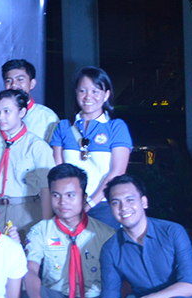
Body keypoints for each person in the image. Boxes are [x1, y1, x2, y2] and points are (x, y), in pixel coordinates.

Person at [99, 175, 192, 298]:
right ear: (111, 210)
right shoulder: (110, 249)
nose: (123, 207)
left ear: (144, 202)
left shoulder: (172, 231)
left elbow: (191, 285)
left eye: (129, 199)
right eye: (115, 202)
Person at [23, 164, 114, 298]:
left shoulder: (106, 233)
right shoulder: (41, 230)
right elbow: (30, 269)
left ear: (84, 197)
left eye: (70, 195)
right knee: (26, 293)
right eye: (56, 195)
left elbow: (121, 279)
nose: (62, 202)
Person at [50, 66, 132, 228]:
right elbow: (58, 170)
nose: (88, 96)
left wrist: (89, 203)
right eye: (82, 91)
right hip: (69, 207)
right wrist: (70, 202)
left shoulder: (116, 127)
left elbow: (118, 171)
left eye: (96, 91)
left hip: (104, 205)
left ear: (106, 95)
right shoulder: (63, 127)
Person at [0, 89, 55, 240]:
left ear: (22, 112)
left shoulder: (37, 146)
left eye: (7, 111)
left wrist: (46, 225)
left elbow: (46, 190)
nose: (0, 117)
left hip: (26, 211)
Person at [1, 59, 59, 141]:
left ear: (32, 84)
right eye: (8, 81)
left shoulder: (48, 117)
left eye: (20, 79)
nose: (13, 85)